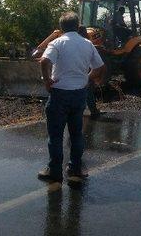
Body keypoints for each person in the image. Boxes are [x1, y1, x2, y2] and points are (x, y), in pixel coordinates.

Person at [38, 12, 106, 184]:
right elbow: (99, 67)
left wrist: (47, 81)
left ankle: (54, 170)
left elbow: (44, 62)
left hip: (59, 93)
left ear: (61, 28)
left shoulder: (56, 43)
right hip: (79, 94)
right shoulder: (87, 44)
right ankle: (75, 167)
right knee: (76, 133)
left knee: (55, 135)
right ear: (77, 26)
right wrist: (87, 79)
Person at [77, 26, 102, 119]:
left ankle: (80, 110)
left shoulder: (74, 43)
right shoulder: (88, 44)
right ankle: (93, 110)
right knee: (89, 92)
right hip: (87, 71)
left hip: (79, 71)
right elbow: (99, 65)